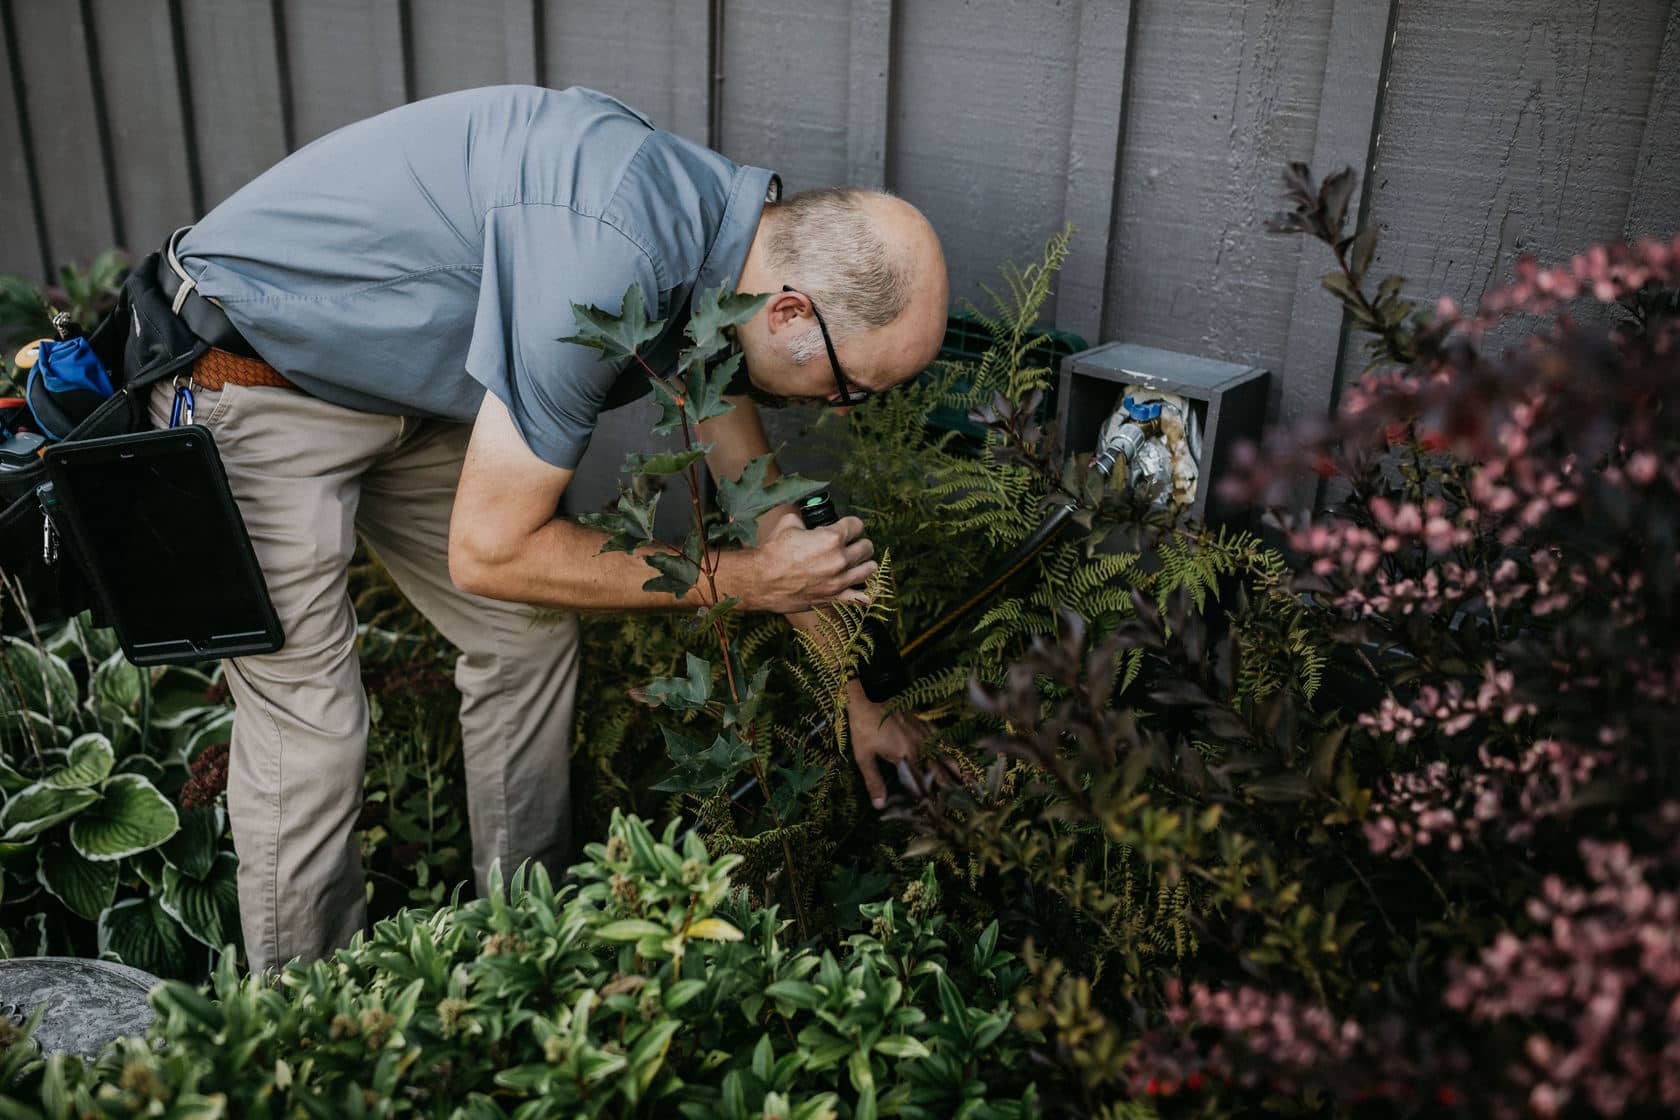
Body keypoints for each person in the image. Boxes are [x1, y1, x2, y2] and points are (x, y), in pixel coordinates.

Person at [153, 84, 949, 972]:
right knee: (315, 722)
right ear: (793, 313)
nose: (841, 412)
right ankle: (313, 1031)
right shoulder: (611, 253)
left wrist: (860, 701)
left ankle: (520, 953)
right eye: (851, 386)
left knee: (525, 639)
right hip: (252, 371)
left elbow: (761, 507)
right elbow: (492, 552)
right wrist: (749, 584)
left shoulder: (727, 244)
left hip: (400, 388)